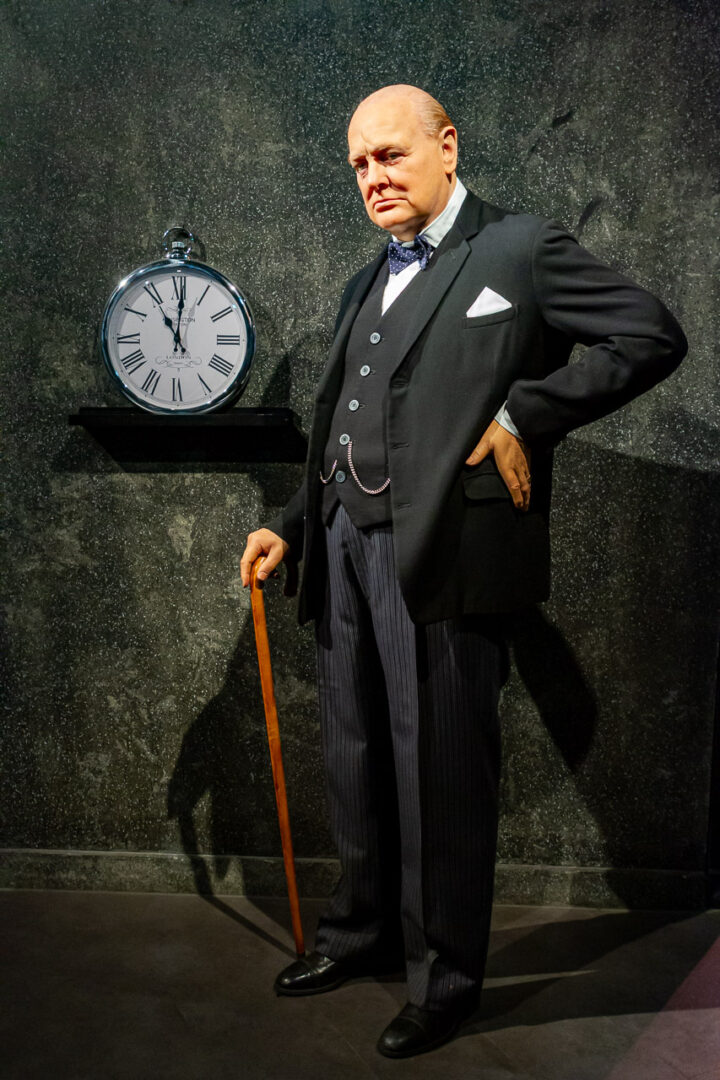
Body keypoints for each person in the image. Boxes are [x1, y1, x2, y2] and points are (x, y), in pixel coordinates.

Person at [240, 84, 687, 1058]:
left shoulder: (520, 249)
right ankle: (358, 933)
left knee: (439, 769)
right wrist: (294, 526)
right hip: (344, 545)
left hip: (447, 551)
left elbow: (651, 334)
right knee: (356, 754)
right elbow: (347, 423)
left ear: (447, 146)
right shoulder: (365, 281)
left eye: (390, 155)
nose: (373, 177)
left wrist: (526, 413)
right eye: (359, 165)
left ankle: (444, 979)